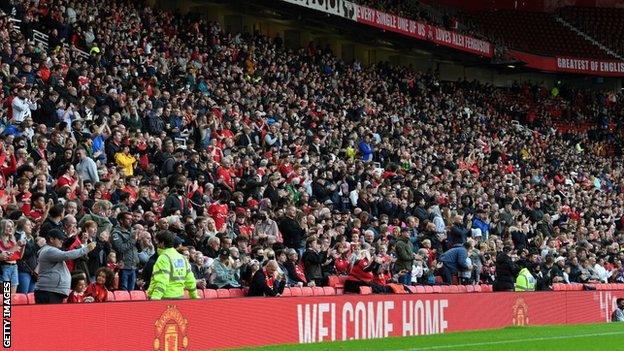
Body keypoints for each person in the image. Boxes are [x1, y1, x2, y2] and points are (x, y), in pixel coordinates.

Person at [34, 229, 96, 304]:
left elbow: (65, 248)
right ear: (51, 239)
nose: (62, 241)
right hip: (48, 291)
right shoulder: (49, 250)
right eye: (59, 239)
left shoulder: (52, 250)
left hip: (51, 291)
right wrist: (86, 249)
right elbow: (67, 255)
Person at [147, 230, 199, 300]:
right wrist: (194, 296)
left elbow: (162, 280)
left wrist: (155, 297)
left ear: (162, 243)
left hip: (164, 298)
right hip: (179, 296)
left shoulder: (164, 258)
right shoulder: (182, 257)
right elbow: (190, 279)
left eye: (157, 241)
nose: (156, 244)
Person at [111, 211, 138, 291]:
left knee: (132, 294)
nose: (130, 221)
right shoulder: (116, 233)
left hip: (133, 266)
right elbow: (120, 248)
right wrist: (133, 240)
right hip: (123, 268)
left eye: (131, 219)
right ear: (121, 220)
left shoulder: (132, 232)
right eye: (128, 219)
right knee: (124, 293)